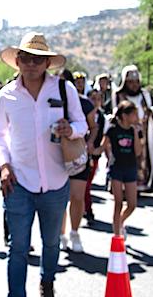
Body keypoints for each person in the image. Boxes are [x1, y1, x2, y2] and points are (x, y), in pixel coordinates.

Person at [0, 32, 87, 297]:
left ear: (47, 62)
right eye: (26, 59)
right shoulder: (7, 95)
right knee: (17, 248)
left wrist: (69, 129)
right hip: (19, 182)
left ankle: (47, 286)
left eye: (37, 60)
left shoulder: (64, 88)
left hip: (57, 180)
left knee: (50, 244)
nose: (31, 65)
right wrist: (4, 166)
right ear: (17, 61)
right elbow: (0, 138)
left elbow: (82, 125)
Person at [58, 70, 98, 253]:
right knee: (59, 200)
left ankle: (74, 232)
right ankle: (61, 234)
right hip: (55, 157)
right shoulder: (49, 103)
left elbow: (93, 127)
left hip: (78, 155)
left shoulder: (84, 103)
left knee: (77, 196)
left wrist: (90, 143)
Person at [110, 65, 153, 192]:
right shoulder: (118, 95)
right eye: (130, 82)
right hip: (124, 135)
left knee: (143, 158)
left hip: (144, 134)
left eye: (136, 82)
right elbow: (113, 113)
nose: (134, 85)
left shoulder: (145, 95)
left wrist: (151, 112)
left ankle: (142, 185)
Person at [102, 100, 143, 238]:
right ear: (125, 116)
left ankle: (121, 222)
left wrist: (136, 133)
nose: (136, 118)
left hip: (130, 167)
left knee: (132, 204)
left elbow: (138, 152)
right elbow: (103, 146)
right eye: (134, 115)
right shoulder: (113, 130)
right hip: (117, 168)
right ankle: (116, 234)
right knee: (118, 202)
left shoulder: (133, 130)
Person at [83, 88, 107, 224]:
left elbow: (106, 137)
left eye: (99, 99)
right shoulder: (80, 114)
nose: (96, 102)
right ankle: (87, 209)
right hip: (80, 153)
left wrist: (100, 150)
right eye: (93, 99)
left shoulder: (103, 118)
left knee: (87, 183)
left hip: (94, 155)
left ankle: (86, 209)